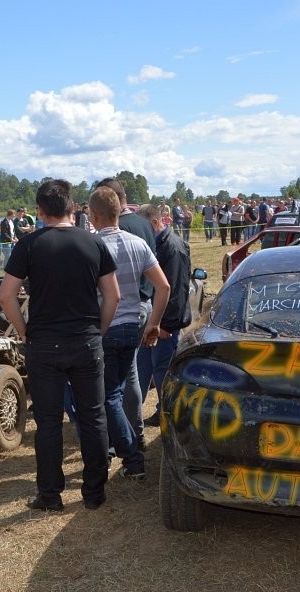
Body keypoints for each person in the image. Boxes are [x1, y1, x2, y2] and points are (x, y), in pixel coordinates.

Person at [0, 178, 119, 512]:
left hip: (44, 343)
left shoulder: (29, 244)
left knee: (48, 423)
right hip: (85, 341)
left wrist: (24, 332)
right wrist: (100, 329)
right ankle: (94, 492)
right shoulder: (94, 243)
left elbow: (6, 295)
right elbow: (114, 295)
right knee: (93, 417)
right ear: (71, 207)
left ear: (39, 211)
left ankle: (50, 496)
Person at [91, 186, 169, 481]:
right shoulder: (138, 243)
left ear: (94, 215)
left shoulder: (92, 245)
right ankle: (133, 442)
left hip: (105, 328)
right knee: (130, 382)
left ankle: (132, 456)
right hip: (134, 325)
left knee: (108, 396)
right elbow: (164, 287)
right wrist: (154, 323)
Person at [136, 204, 192, 426]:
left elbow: (176, 290)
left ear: (153, 223)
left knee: (163, 372)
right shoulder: (157, 244)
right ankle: (142, 413)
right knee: (144, 367)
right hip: (154, 321)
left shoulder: (172, 248)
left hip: (164, 325)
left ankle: (168, 415)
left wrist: (165, 325)